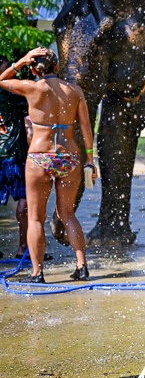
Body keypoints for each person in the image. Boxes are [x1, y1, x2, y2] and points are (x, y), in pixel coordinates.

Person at [0, 48, 96, 283]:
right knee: (68, 215)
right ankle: (82, 266)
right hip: (68, 157)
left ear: (34, 70)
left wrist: (21, 61)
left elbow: (1, 80)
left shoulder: (31, 88)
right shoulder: (74, 91)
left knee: (35, 218)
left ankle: (37, 273)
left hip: (40, 157)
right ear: (57, 67)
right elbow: (86, 127)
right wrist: (90, 159)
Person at [0, 55, 29, 257]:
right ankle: (23, 247)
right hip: (16, 155)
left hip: (4, 155)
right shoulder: (13, 94)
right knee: (25, 202)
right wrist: (22, 62)